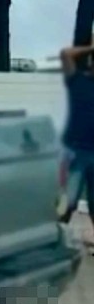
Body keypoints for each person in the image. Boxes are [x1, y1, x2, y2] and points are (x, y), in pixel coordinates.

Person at [60, 41, 94, 242]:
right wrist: (91, 47)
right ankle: (55, 237)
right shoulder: (76, 80)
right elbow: (66, 54)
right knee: (69, 201)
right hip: (75, 152)